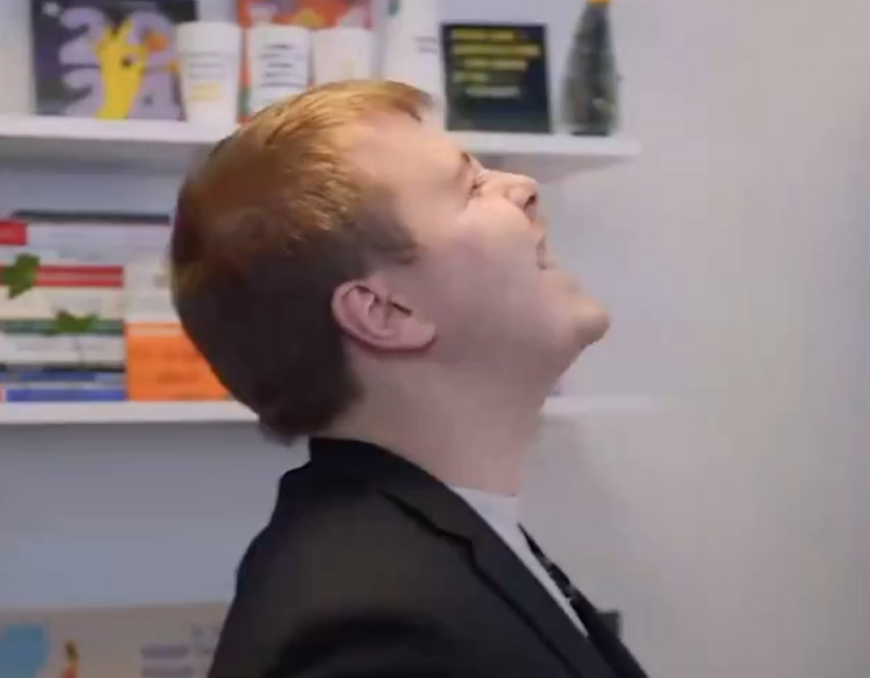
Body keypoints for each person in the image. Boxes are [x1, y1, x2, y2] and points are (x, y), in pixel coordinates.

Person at [170, 80, 648, 678]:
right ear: (386, 313)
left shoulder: (436, 548)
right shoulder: (373, 626)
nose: (524, 187)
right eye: (471, 187)